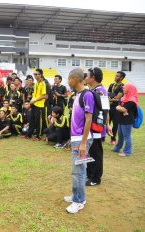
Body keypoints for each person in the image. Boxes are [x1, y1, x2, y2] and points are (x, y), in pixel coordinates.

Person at [64, 68, 94, 214]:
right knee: (76, 170)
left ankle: (79, 201)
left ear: (74, 79)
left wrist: (82, 143)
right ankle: (75, 195)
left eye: (68, 79)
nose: (68, 82)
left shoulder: (87, 95)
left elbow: (89, 119)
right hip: (77, 139)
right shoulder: (79, 94)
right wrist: (73, 139)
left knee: (79, 171)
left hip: (82, 140)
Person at [85, 67, 108, 187]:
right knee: (90, 151)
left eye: (87, 75)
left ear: (93, 77)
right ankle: (90, 173)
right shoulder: (92, 90)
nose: (85, 77)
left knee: (96, 153)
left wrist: (106, 125)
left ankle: (96, 178)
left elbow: (106, 110)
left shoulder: (101, 91)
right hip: (91, 127)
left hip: (97, 127)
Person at [113, 83, 138, 157]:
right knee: (120, 135)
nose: (123, 89)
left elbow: (123, 108)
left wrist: (118, 108)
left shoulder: (132, 100)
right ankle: (117, 148)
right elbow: (120, 106)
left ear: (129, 89)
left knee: (127, 136)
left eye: (125, 88)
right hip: (121, 119)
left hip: (127, 121)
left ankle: (127, 152)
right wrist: (120, 108)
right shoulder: (125, 97)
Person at [26, 69, 47, 141]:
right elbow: (34, 95)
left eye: (36, 74)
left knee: (39, 121)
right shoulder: (36, 83)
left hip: (40, 105)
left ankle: (38, 136)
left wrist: (35, 100)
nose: (35, 75)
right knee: (31, 120)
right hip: (34, 104)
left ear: (40, 75)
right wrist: (31, 102)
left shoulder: (43, 84)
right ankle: (28, 134)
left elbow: (44, 96)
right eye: (34, 74)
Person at [108, 71, 125, 145]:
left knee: (115, 125)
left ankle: (113, 139)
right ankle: (102, 138)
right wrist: (112, 97)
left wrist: (110, 98)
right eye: (115, 75)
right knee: (106, 123)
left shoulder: (123, 86)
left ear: (121, 78)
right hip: (108, 107)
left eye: (117, 76)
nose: (115, 77)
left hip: (117, 108)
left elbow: (118, 98)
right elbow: (107, 94)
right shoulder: (111, 85)